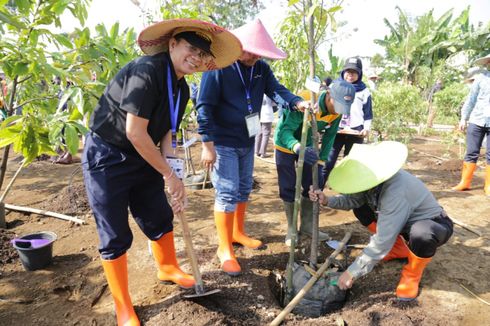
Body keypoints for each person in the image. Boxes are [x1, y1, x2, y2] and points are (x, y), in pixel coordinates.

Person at [81, 19, 241, 326]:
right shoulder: (146, 72)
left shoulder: (181, 88)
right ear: (172, 44)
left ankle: (167, 267)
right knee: (114, 233)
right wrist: (167, 174)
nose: (195, 57)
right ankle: (123, 306)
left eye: (201, 53)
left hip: (145, 155)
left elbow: (167, 132)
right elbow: (135, 132)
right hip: (107, 155)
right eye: (191, 48)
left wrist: (176, 176)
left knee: (158, 214)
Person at [196, 19, 310, 276]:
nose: (253, 56)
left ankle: (237, 233)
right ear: (237, 46)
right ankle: (224, 247)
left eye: (258, 53)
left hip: (247, 139)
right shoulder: (219, 67)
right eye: (250, 50)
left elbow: (276, 90)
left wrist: (296, 102)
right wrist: (207, 144)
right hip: (222, 141)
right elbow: (204, 106)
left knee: (244, 187)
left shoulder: (261, 69)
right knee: (226, 191)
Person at [309, 141, 454, 301]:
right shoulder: (371, 182)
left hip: (434, 224)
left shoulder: (396, 190)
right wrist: (327, 201)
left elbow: (383, 239)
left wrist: (352, 272)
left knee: (422, 233)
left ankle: (412, 274)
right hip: (403, 225)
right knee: (361, 209)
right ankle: (398, 249)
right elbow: (353, 200)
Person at [274, 81, 355, 246]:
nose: (339, 110)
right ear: (329, 96)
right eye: (338, 104)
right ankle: (291, 228)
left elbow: (330, 137)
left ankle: (307, 225)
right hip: (286, 144)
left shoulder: (336, 112)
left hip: (309, 148)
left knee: (313, 183)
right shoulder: (306, 99)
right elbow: (285, 131)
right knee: (288, 185)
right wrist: (297, 147)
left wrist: (320, 161)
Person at [323, 57, 373, 185]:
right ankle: (315, 195)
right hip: (336, 130)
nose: (350, 75)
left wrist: (366, 128)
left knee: (350, 165)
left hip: (356, 132)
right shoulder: (334, 86)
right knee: (327, 163)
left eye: (354, 72)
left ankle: (346, 196)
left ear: (360, 74)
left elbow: (368, 113)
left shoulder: (364, 91)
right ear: (343, 72)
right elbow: (326, 107)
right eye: (348, 71)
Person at [451, 53, 490, 195]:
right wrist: (463, 118)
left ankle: (488, 186)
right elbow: (471, 100)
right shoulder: (480, 79)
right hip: (477, 119)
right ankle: (464, 182)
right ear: (487, 63)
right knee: (471, 152)